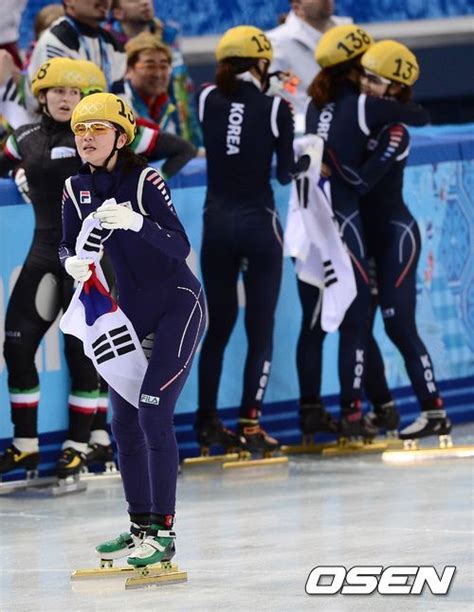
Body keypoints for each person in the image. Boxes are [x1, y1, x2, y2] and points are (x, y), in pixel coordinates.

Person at [60, 92, 206, 566]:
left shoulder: (144, 178)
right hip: (132, 311)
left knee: (152, 413)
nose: (86, 138)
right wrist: (74, 265)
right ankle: (139, 525)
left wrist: (136, 222)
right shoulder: (74, 187)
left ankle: (164, 532)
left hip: (179, 305)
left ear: (121, 137)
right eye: (81, 130)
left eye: (97, 129)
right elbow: (65, 246)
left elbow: (178, 244)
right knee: (121, 420)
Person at [295, 24, 430, 440]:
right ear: (356, 69)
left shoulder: (315, 104)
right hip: (348, 218)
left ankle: (319, 412)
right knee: (357, 319)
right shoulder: (363, 105)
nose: (370, 75)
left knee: (318, 323)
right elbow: (418, 115)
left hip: (311, 223)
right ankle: (355, 415)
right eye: (367, 68)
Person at [195, 26, 312, 455]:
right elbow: (284, 173)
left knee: (219, 328)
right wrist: (305, 159)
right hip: (259, 225)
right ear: (262, 63)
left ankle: (207, 422)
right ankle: (250, 424)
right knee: (259, 330)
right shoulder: (276, 108)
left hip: (217, 226)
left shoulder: (206, 98)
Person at [332, 40, 450, 443]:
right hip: (371, 237)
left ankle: (435, 411)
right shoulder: (364, 118)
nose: (366, 85)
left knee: (399, 326)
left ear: (396, 90)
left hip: (397, 238)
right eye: (363, 76)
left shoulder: (396, 131)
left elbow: (363, 183)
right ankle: (374, 408)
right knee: (363, 323)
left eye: (375, 80)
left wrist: (327, 160)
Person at [0, 58, 102, 480]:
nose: (66, 98)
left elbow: (167, 150)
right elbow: (7, 157)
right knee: (17, 347)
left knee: (84, 353)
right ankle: (25, 445)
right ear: (41, 97)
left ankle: (79, 443)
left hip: (89, 259)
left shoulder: (96, 134)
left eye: (74, 92)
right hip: (44, 254)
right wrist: (16, 168)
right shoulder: (23, 136)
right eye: (58, 91)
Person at [107, 0, 202, 146]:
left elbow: (182, 95)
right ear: (118, 12)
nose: (145, 2)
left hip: (169, 123)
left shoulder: (169, 37)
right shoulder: (106, 43)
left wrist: (192, 145)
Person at [26, 0, 126, 110]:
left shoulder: (113, 43)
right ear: (69, 1)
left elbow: (120, 96)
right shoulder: (56, 39)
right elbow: (56, 105)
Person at [124, 32, 197, 176]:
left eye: (164, 67)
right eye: (149, 66)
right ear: (129, 69)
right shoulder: (119, 104)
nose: (158, 74)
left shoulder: (168, 106)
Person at [267, 0, 352, 120]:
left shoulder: (349, 31)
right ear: (297, 6)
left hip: (347, 120)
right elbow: (269, 91)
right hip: (302, 127)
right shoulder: (276, 43)